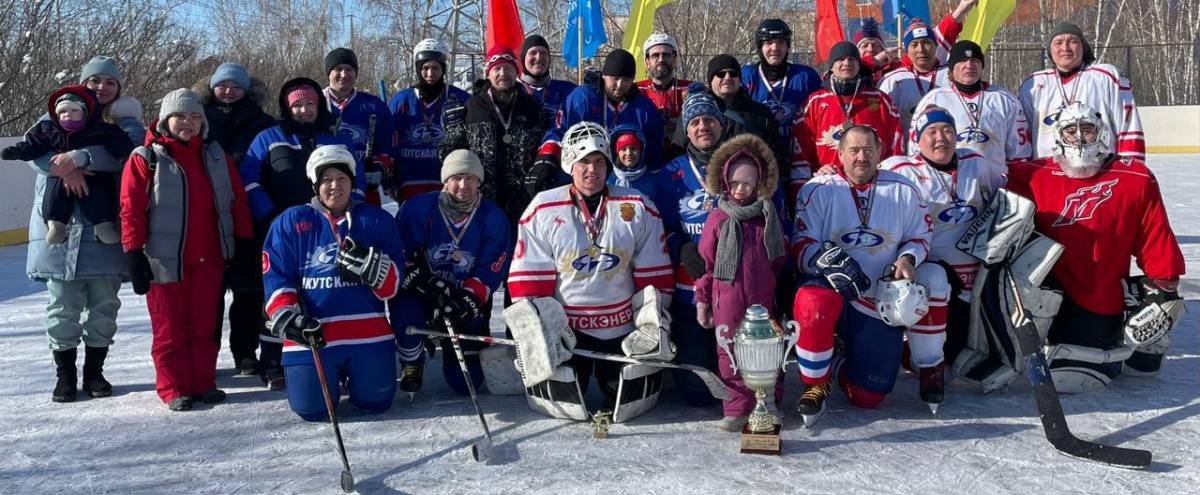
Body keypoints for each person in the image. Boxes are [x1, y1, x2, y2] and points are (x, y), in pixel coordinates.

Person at [1003, 101, 1183, 393]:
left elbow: (1155, 238)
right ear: (1059, 136)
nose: (1079, 137)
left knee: (1073, 379)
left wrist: (1165, 293)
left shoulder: (1134, 177)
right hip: (1046, 294)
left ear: (1100, 132)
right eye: (1070, 131)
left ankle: (1139, 333)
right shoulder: (1030, 176)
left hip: (1100, 295)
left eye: (1087, 130)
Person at [509, 121, 674, 414]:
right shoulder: (542, 208)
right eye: (583, 162)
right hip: (568, 333)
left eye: (600, 162)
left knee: (629, 399)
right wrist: (542, 331)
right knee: (562, 401)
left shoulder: (637, 205)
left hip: (622, 332)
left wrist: (650, 323)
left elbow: (655, 279)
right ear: (569, 164)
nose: (592, 170)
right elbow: (529, 285)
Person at [120, 89, 255, 411]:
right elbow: (131, 209)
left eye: (195, 117)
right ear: (166, 119)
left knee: (204, 325)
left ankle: (203, 382)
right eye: (181, 116)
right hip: (165, 259)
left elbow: (236, 200)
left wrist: (243, 241)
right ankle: (174, 387)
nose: (189, 123)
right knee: (170, 328)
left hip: (209, 256)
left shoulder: (215, 155)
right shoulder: (146, 158)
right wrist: (133, 252)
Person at [791, 125, 933, 424]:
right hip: (830, 288)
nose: (861, 157)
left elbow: (920, 235)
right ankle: (815, 384)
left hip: (876, 297)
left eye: (868, 150)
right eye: (854, 150)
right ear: (840, 153)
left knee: (869, 396)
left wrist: (908, 258)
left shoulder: (903, 189)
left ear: (880, 151)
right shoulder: (818, 189)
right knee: (812, 301)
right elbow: (801, 246)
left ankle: (838, 362)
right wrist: (825, 262)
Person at [24, 55, 142, 403]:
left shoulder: (125, 123)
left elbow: (129, 157)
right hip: (58, 232)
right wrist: (66, 168)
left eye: (110, 82)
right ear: (83, 83)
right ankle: (65, 375)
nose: (102, 88)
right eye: (95, 81)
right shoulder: (57, 112)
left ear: (118, 88)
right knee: (62, 307)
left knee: (104, 305)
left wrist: (81, 158)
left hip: (103, 232)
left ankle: (95, 373)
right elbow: (35, 152)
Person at [262, 145, 404, 420]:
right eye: (326, 179)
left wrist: (379, 271)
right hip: (314, 337)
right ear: (315, 184)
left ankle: (357, 376)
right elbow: (276, 274)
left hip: (368, 334)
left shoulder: (376, 219)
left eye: (342, 179)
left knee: (376, 403)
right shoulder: (290, 221)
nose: (335, 186)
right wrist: (287, 315)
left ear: (353, 183)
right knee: (312, 410)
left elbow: (393, 286)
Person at [240, 77, 363, 389]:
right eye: (297, 104)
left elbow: (356, 181)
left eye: (309, 103)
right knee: (279, 291)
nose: (304, 109)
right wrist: (267, 214)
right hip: (279, 228)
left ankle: (333, 356)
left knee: (323, 289)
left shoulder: (334, 139)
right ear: (287, 107)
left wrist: (346, 220)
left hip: (326, 230)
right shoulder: (268, 137)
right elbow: (248, 178)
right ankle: (271, 361)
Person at [880, 107, 1003, 405]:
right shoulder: (901, 170)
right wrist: (829, 170)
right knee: (935, 283)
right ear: (917, 139)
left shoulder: (976, 162)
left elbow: (1003, 203)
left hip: (975, 274)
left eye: (947, 131)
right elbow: (859, 179)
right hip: (928, 271)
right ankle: (917, 354)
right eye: (931, 133)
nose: (940, 139)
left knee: (962, 355)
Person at [391, 150, 511, 397]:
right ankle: (412, 360)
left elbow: (491, 269)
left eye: (470, 178)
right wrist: (417, 279)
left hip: (462, 297)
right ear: (445, 180)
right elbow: (399, 252)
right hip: (422, 292)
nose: (463, 185)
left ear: (480, 180)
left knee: (466, 383)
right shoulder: (417, 208)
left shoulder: (494, 217)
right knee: (405, 309)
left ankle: (453, 339)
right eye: (456, 178)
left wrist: (465, 299)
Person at [692, 134, 787, 431]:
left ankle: (767, 401)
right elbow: (707, 265)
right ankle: (735, 406)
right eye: (735, 183)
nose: (740, 189)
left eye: (747, 183)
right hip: (727, 295)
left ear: (758, 184)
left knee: (765, 349)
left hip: (762, 295)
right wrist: (703, 301)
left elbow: (778, 259)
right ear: (725, 183)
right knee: (729, 349)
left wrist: (779, 290)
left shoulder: (767, 216)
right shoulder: (718, 217)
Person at [193, 61, 277, 376]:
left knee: (248, 289)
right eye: (223, 85)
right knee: (210, 291)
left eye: (236, 86)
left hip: (248, 216)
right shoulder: (196, 119)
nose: (228, 92)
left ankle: (245, 352)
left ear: (247, 90)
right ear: (212, 87)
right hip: (206, 217)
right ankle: (207, 353)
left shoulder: (263, 123)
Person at [655, 92, 729, 407]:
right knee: (697, 393)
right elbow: (658, 228)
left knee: (741, 384)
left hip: (734, 287)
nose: (703, 127)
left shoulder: (741, 164)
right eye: (695, 121)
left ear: (721, 125)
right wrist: (680, 246)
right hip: (690, 293)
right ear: (686, 129)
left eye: (709, 120)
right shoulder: (671, 173)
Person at [439, 45, 552, 231]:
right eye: (497, 68)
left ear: (516, 72)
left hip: (524, 203)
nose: (503, 73)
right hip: (482, 203)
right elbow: (449, 153)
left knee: (522, 258)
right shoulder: (471, 107)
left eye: (508, 68)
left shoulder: (532, 108)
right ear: (487, 73)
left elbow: (546, 146)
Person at [3, 86, 134, 246]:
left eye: (73, 110)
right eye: (62, 112)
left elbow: (118, 142)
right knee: (55, 192)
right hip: (59, 176)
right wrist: (18, 152)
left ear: (85, 112)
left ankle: (103, 225)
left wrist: (125, 153)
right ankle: (55, 225)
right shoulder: (47, 128)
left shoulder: (99, 129)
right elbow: (34, 145)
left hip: (93, 173)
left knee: (101, 191)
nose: (68, 115)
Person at [1018, 22, 1145, 161]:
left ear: (1083, 47)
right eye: (1058, 42)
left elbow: (1128, 126)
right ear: (1050, 49)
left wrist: (1132, 169)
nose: (1065, 48)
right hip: (1049, 175)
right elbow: (1022, 139)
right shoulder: (1033, 84)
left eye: (1073, 41)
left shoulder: (1106, 76)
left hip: (1101, 172)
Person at [538, 49, 665, 177]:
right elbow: (559, 131)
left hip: (628, 181)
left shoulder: (645, 108)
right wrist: (546, 158)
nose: (620, 85)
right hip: (583, 174)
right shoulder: (582, 98)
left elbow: (654, 154)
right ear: (604, 75)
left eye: (626, 79)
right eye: (615, 78)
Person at [911, 41, 1030, 175]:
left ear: (982, 65)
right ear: (952, 67)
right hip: (948, 183)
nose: (969, 66)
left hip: (995, 183)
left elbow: (1020, 153)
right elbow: (916, 147)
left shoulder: (1004, 99)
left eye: (975, 61)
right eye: (962, 61)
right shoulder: (934, 99)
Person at [794, 42, 901, 177]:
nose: (846, 63)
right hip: (827, 185)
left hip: (874, 186)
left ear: (859, 65)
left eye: (852, 59)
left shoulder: (880, 100)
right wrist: (805, 187)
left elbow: (895, 148)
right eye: (840, 59)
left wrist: (888, 179)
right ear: (831, 66)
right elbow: (800, 155)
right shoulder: (814, 102)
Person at [686, 55, 790, 192]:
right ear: (711, 79)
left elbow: (775, 155)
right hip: (703, 185)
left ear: (739, 79)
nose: (727, 77)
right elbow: (679, 150)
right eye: (721, 74)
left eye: (733, 73)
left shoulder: (760, 113)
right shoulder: (695, 110)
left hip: (748, 189)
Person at [388, 39, 472, 200]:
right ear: (418, 69)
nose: (430, 73)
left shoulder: (459, 98)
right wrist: (389, 181)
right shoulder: (401, 101)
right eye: (425, 68)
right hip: (409, 184)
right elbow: (388, 142)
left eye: (435, 67)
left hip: (449, 185)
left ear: (444, 69)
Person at [323, 47, 396, 206]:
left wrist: (380, 167)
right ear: (328, 73)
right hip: (324, 187)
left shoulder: (373, 105)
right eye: (338, 69)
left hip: (364, 188)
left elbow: (387, 145)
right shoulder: (315, 104)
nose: (344, 74)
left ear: (356, 73)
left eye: (349, 69)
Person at [740, 19, 822, 149]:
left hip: (799, 160)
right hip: (760, 158)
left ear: (787, 46)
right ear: (760, 47)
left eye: (781, 42)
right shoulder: (746, 77)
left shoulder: (806, 77)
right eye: (768, 43)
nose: (775, 48)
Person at [635, 33, 691, 156]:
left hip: (683, 159)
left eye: (666, 54)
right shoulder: (635, 91)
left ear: (674, 59)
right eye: (655, 55)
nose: (661, 59)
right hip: (647, 160)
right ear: (647, 62)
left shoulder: (690, 89)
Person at [517, 35, 577, 123]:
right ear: (523, 58)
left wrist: (594, 86)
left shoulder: (568, 90)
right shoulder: (513, 90)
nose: (538, 57)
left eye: (543, 53)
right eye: (533, 53)